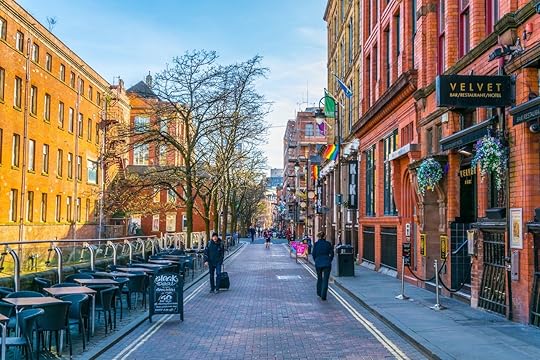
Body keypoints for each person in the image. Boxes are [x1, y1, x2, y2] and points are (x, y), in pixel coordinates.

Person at [311, 231, 334, 301]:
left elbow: (313, 254)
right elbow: (332, 254)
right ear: (324, 237)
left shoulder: (316, 244)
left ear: (318, 236)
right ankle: (323, 295)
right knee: (326, 280)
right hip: (327, 263)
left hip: (318, 263)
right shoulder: (328, 244)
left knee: (319, 278)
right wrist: (330, 260)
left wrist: (316, 260)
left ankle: (319, 292)